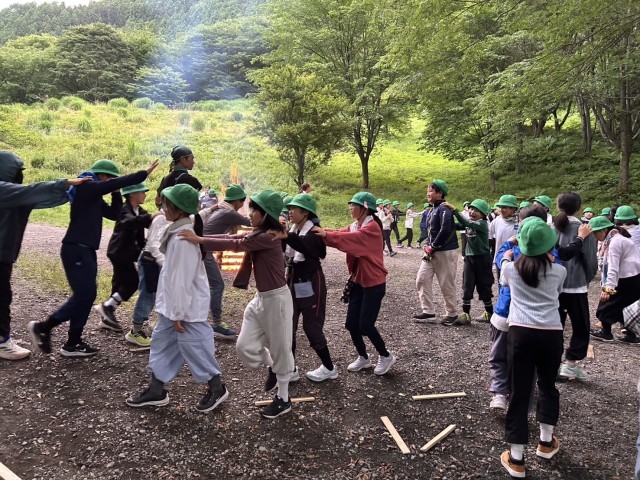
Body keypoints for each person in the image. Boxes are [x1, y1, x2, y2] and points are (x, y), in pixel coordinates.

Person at [180, 190, 295, 419]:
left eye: (254, 211)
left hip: (277, 300)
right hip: (261, 299)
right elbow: (235, 239)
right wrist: (201, 237)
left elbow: (236, 244)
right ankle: (272, 367)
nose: (249, 214)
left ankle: (283, 399)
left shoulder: (268, 237)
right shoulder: (260, 233)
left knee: (282, 349)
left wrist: (201, 240)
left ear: (266, 215)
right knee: (244, 347)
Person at [28, 159, 158, 357]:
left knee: (87, 295)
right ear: (103, 176)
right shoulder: (86, 187)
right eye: (110, 179)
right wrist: (142, 174)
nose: (110, 183)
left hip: (86, 249)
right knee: (84, 295)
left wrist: (116, 194)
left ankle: (72, 343)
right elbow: (114, 184)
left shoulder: (94, 197)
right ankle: (44, 327)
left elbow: (114, 214)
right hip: (76, 249)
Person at [126, 184, 228, 413]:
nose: (163, 207)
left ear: (179, 209)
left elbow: (182, 279)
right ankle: (156, 391)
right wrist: (172, 310)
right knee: (161, 345)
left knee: (196, 347)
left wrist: (178, 313)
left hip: (185, 309)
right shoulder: (176, 231)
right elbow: (174, 276)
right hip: (174, 307)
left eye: (167, 203)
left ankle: (217, 387)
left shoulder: (182, 239)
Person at [0, 151, 90, 360]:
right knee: (3, 296)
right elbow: (30, 191)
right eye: (17, 172)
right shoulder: (4, 190)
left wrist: (70, 192)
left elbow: (40, 199)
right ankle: (2, 342)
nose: (20, 176)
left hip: (4, 254)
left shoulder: (14, 195)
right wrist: (64, 183)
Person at [499, 217, 567, 479]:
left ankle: (516, 458)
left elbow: (503, 269)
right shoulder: (559, 271)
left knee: (520, 391)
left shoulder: (511, 270)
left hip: (521, 334)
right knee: (548, 386)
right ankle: (546, 442)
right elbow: (557, 291)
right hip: (551, 334)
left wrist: (508, 252)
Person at [313, 191, 397, 376]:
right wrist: (321, 232)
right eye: (350, 204)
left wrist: (325, 235)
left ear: (364, 209)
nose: (350, 208)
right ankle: (363, 357)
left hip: (374, 283)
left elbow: (348, 239)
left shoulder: (371, 228)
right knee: (352, 323)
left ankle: (385, 355)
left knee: (366, 324)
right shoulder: (356, 225)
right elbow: (340, 233)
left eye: (354, 205)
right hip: (359, 281)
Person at [269, 194, 337, 382]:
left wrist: (286, 236)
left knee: (311, 327)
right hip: (293, 281)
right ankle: (290, 368)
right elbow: (286, 248)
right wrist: (282, 233)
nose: (290, 212)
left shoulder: (314, 232)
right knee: (288, 325)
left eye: (294, 209)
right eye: (289, 208)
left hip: (311, 282)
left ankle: (329, 368)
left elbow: (307, 246)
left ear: (305, 212)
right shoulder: (294, 230)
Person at [94, 183, 153, 333]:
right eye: (142, 192)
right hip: (119, 252)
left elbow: (146, 224)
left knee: (119, 283)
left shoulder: (139, 211)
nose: (145, 194)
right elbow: (129, 222)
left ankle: (107, 318)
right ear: (132, 194)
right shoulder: (124, 210)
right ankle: (107, 307)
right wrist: (149, 217)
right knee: (132, 282)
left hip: (127, 252)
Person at [553, 192, 598, 381]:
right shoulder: (584, 229)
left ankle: (552, 365)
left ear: (558, 206)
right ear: (579, 208)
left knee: (555, 327)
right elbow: (591, 262)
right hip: (576, 287)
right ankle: (570, 364)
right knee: (581, 327)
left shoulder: (552, 227)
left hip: (554, 286)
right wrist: (585, 280)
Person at [202, 184, 252, 339]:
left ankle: (197, 321)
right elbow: (252, 222)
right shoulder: (229, 212)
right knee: (217, 285)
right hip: (204, 250)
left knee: (203, 285)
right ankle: (216, 324)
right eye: (242, 201)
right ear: (237, 201)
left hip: (201, 248)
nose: (242, 205)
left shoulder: (222, 211)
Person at [414, 180, 459, 324]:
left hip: (445, 251)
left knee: (446, 282)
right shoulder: (432, 209)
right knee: (422, 278)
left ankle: (451, 313)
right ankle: (428, 311)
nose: (428, 193)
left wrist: (432, 246)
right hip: (431, 251)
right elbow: (430, 231)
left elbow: (445, 229)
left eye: (431, 191)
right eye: (427, 190)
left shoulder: (444, 209)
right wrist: (428, 245)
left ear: (440, 193)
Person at [589, 216, 640, 344]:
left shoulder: (615, 242)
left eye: (595, 233)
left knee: (605, 306)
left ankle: (606, 333)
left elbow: (613, 267)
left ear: (604, 230)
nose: (594, 237)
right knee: (626, 307)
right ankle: (631, 335)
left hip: (626, 278)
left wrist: (608, 288)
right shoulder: (617, 238)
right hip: (632, 277)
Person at [443, 199, 493, 325]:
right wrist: (446, 218)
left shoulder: (482, 224)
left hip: (483, 259)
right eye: (471, 209)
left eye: (476, 210)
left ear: (483, 214)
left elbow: (465, 222)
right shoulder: (470, 223)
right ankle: (466, 314)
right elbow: (457, 225)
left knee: (484, 286)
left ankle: (489, 313)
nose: (472, 212)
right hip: (469, 259)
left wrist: (455, 210)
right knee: (467, 285)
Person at [127, 204, 170, 347]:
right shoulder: (161, 218)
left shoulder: (172, 217)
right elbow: (153, 243)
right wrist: (164, 263)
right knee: (147, 294)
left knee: (155, 294)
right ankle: (135, 331)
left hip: (155, 262)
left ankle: (148, 324)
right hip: (149, 261)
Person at [489, 194, 518, 267]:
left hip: (516, 260)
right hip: (499, 258)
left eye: (504, 207)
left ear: (513, 209)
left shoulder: (519, 223)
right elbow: (488, 235)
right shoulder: (496, 221)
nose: (501, 210)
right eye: (500, 207)